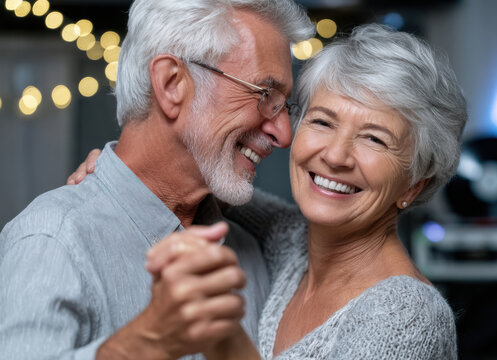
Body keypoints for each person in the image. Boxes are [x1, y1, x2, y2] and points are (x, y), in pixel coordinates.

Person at [0, 1, 313, 359]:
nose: (284, 135)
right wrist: (146, 341)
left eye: (283, 105)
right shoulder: (53, 238)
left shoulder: (250, 252)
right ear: (171, 83)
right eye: (263, 95)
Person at [145, 24, 468, 359]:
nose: (335, 155)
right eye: (323, 122)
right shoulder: (290, 242)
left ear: (414, 184)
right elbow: (206, 183)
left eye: (375, 139)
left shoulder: (408, 316)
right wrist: (110, 170)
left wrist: (222, 334)